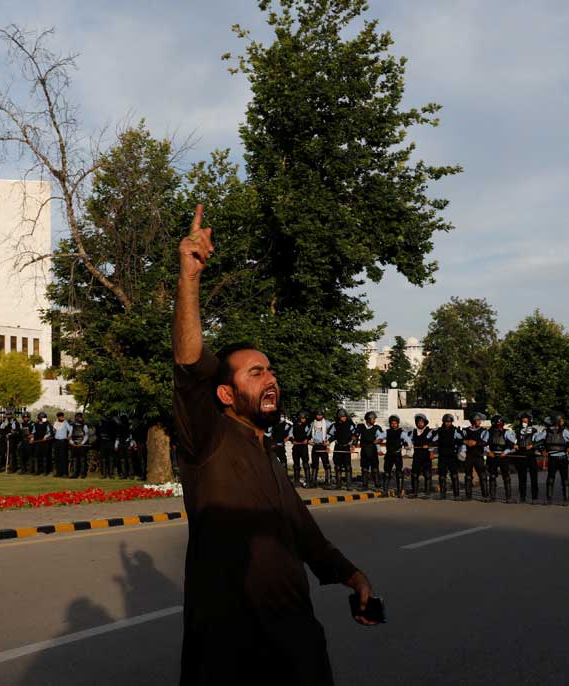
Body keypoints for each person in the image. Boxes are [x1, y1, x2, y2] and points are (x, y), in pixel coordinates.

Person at [173, 203, 377, 685]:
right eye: (256, 372)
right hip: (229, 646)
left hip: (295, 638)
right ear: (226, 393)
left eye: (272, 371)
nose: (272, 379)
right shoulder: (209, 437)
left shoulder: (265, 450)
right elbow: (188, 366)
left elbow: (303, 531)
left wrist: (353, 577)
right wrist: (190, 280)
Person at [537, 415, 569, 506]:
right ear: (557, 421)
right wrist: (542, 450)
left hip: (562, 458)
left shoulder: (564, 431)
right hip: (552, 458)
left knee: (565, 479)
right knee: (550, 479)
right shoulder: (547, 431)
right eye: (561, 420)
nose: (563, 421)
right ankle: (549, 499)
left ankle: (566, 500)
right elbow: (536, 440)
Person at [485, 414, 515, 502]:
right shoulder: (488, 432)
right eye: (499, 423)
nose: (500, 425)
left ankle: (508, 498)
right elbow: (484, 444)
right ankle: (492, 497)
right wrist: (488, 451)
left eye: (501, 423)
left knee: (506, 476)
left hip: (503, 457)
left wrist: (505, 452)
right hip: (492, 456)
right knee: (492, 476)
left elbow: (512, 445)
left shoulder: (506, 432)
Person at [514, 412, 541, 504]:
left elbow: (539, 441)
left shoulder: (534, 430)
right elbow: (514, 441)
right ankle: (522, 497)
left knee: (534, 478)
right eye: (523, 419)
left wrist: (532, 446)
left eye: (526, 419)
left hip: (531, 456)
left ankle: (534, 497)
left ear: (529, 420)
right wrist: (514, 445)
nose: (524, 420)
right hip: (521, 455)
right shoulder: (517, 430)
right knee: (522, 478)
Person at [434, 413, 463, 500]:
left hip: (452, 456)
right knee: (442, 476)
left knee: (454, 475)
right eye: (446, 421)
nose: (448, 423)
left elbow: (461, 439)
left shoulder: (455, 430)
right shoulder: (439, 431)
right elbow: (433, 439)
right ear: (443, 422)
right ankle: (443, 494)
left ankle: (456, 494)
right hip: (442, 455)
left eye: (449, 422)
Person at [461, 412, 489, 501]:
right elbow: (459, 440)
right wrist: (465, 442)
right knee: (468, 476)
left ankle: (485, 496)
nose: (480, 422)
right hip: (469, 456)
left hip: (479, 456)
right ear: (473, 421)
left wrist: (476, 443)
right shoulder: (465, 430)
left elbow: (485, 442)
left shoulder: (483, 431)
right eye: (478, 420)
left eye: (480, 420)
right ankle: (468, 496)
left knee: (483, 476)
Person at [355, 412, 385, 491]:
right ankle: (365, 485)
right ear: (368, 419)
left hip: (373, 449)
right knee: (364, 468)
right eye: (373, 419)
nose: (374, 420)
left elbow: (380, 437)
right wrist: (353, 444)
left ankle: (377, 484)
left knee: (375, 468)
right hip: (364, 449)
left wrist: (379, 449)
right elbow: (355, 436)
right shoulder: (361, 427)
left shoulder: (376, 428)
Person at [328, 409, 357, 491]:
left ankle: (349, 485)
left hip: (346, 447)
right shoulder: (335, 425)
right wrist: (328, 443)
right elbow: (331, 435)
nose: (343, 418)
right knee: (337, 466)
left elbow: (355, 435)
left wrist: (353, 445)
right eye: (341, 417)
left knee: (348, 467)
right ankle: (338, 484)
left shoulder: (350, 425)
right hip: (338, 447)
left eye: (344, 416)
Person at [383, 415, 410, 498]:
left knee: (399, 474)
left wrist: (407, 452)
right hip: (389, 454)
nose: (394, 425)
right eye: (392, 423)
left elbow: (408, 441)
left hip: (397, 455)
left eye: (395, 423)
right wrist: (376, 442)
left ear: (398, 424)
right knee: (387, 473)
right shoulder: (387, 432)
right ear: (390, 424)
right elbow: (379, 437)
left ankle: (400, 491)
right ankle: (385, 491)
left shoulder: (402, 432)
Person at [409, 414, 435, 498]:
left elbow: (433, 441)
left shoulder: (430, 431)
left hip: (426, 455)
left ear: (425, 422)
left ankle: (427, 493)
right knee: (414, 474)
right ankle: (414, 492)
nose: (420, 423)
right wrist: (407, 445)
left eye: (422, 422)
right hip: (417, 455)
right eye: (418, 422)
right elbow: (408, 440)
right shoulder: (414, 431)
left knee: (427, 474)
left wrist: (430, 448)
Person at [309, 410, 332, 489]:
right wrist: (310, 441)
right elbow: (309, 434)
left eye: (320, 415)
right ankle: (313, 482)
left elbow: (331, 434)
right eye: (317, 415)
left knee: (326, 464)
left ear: (323, 415)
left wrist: (328, 445)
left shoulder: (328, 423)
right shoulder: (313, 423)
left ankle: (328, 481)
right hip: (315, 445)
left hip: (323, 445)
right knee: (314, 464)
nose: (319, 416)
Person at [290, 412, 311, 486]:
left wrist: (307, 439)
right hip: (296, 446)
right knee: (296, 464)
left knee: (305, 463)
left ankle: (308, 481)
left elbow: (309, 434)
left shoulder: (307, 425)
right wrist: (292, 440)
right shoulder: (294, 425)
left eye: (304, 418)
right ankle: (296, 481)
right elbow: (290, 434)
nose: (303, 420)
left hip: (303, 446)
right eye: (302, 418)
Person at [70, 413, 91, 478]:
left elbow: (86, 436)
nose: (81, 418)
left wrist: (82, 443)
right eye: (79, 417)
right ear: (76, 418)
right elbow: (69, 436)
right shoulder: (72, 426)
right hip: (74, 444)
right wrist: (72, 442)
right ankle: (75, 473)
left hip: (82, 445)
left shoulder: (84, 426)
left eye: (81, 417)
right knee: (75, 460)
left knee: (82, 459)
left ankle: (83, 474)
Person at [52, 411, 71, 477]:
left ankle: (65, 473)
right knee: (57, 457)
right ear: (57, 417)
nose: (61, 417)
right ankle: (58, 472)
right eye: (59, 417)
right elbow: (54, 430)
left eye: (62, 416)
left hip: (63, 441)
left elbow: (70, 430)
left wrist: (69, 435)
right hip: (57, 441)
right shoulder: (56, 422)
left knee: (64, 457)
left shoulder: (65, 423)